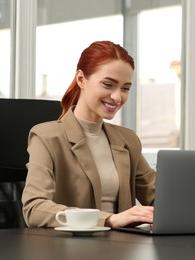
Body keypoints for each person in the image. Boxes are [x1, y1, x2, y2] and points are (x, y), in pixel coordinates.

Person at [22, 41, 155, 228]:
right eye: (108, 84)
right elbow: (35, 208)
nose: (117, 97)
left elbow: (157, 195)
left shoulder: (127, 139)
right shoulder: (46, 137)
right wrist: (109, 219)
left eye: (125, 88)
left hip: (122, 249)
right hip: (69, 250)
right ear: (81, 79)